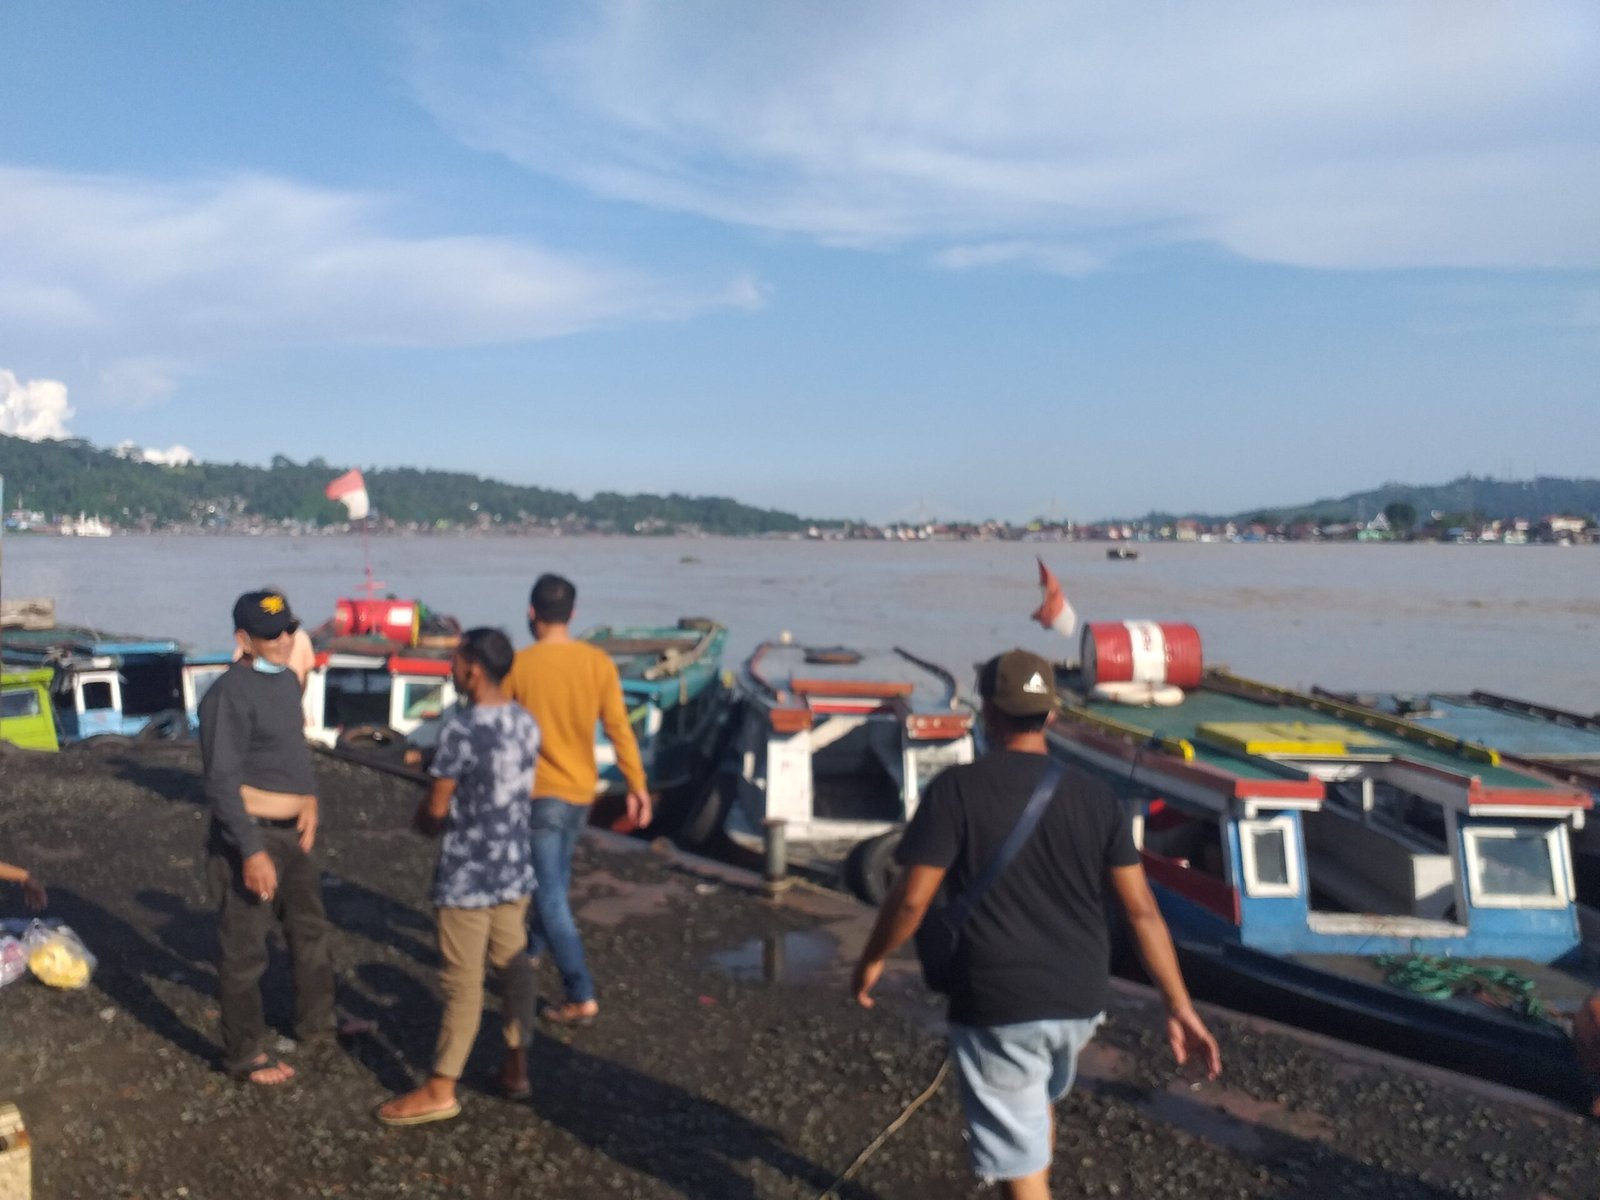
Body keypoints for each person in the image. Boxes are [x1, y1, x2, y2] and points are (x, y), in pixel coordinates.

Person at [851, 649, 1221, 1200]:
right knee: (1032, 1109)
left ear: (989, 713)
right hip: (1080, 998)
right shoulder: (1097, 798)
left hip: (1000, 998)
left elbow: (910, 901)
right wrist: (1178, 1003)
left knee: (1019, 1165)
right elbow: (1141, 910)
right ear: (1050, 715)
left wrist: (873, 958)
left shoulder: (956, 790)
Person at [378, 627, 541, 1126]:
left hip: (468, 878)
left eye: (455, 661)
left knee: (463, 985)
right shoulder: (524, 721)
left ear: (473, 668)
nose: (451, 669)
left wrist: (422, 822)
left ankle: (441, 1087)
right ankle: (516, 1068)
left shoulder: (461, 730)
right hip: (515, 868)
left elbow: (436, 807)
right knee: (513, 971)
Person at [200, 589, 335, 1086]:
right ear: (243, 639)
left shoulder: (285, 683)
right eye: (270, 633)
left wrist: (311, 801)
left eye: (289, 629)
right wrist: (251, 851)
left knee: (311, 933)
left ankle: (318, 1024)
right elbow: (219, 783)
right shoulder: (226, 695)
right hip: (251, 837)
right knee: (245, 951)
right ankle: (244, 1054)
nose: (283, 639)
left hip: (295, 837)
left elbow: (291, 754)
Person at [505, 573, 649, 1026]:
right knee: (555, 882)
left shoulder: (518, 666)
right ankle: (530, 952)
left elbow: (501, 735)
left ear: (532, 614)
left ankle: (580, 991)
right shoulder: (598, 663)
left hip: (539, 794)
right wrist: (637, 786)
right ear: (573, 614)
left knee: (548, 892)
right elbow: (620, 729)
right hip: (581, 792)